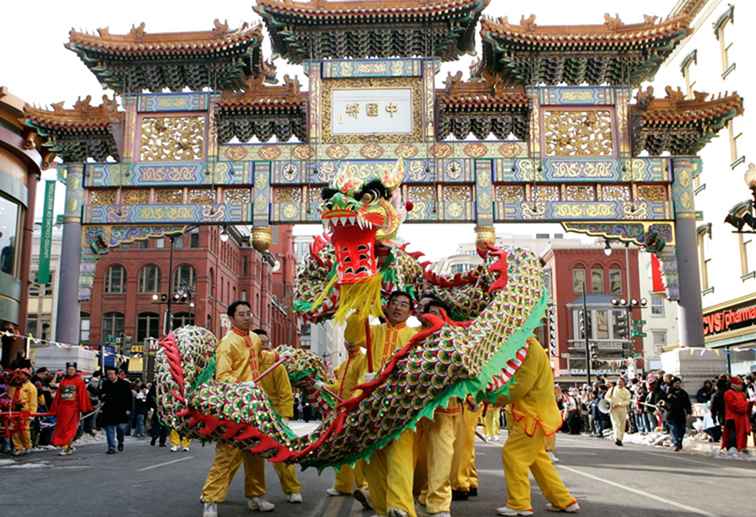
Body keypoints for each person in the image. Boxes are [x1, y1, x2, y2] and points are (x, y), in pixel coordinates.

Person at [344, 290, 419, 517]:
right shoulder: (373, 331)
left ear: (410, 311)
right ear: (385, 307)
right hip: (371, 402)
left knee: (400, 454)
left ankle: (400, 506)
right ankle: (381, 505)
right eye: (393, 303)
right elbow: (352, 336)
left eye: (403, 304)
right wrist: (361, 307)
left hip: (401, 403)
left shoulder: (416, 336)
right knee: (372, 456)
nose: (397, 307)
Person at [201, 301, 275, 517]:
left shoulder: (253, 338)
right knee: (226, 454)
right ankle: (210, 500)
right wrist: (242, 384)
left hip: (255, 406)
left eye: (248, 313)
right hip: (235, 406)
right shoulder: (227, 343)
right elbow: (222, 376)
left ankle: (256, 496)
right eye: (241, 314)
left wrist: (280, 356)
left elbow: (261, 358)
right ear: (232, 318)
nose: (247, 317)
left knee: (256, 453)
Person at [496, 338, 579, 516]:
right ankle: (563, 500)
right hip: (533, 414)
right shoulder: (527, 345)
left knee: (513, 455)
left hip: (532, 416)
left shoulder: (529, 348)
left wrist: (492, 398)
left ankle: (519, 504)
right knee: (538, 460)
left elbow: (520, 386)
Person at [415, 296, 461, 517]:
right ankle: (419, 494)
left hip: (444, 409)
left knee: (442, 458)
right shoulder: (413, 337)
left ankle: (439, 503)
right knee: (418, 460)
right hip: (413, 411)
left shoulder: (455, 338)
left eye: (436, 310)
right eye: (427, 310)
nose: (431, 314)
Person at [250, 329, 303, 504]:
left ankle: (293, 489)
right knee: (241, 457)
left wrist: (284, 417)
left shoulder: (275, 364)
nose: (264, 346)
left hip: (273, 416)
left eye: (266, 342)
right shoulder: (246, 363)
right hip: (250, 414)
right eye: (260, 342)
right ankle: (215, 495)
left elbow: (285, 392)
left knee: (282, 454)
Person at [322, 337, 370, 510]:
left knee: (357, 450)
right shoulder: (344, 364)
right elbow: (338, 386)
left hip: (354, 411)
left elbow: (361, 385)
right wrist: (324, 386)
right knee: (341, 449)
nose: (350, 343)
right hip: (341, 411)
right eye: (347, 340)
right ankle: (343, 485)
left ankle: (365, 487)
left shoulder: (363, 360)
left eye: (353, 340)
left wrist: (353, 404)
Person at [50, 362, 92, 455]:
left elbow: (82, 394)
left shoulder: (79, 380)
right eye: (69, 369)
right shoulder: (63, 380)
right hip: (63, 407)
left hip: (73, 407)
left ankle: (66, 447)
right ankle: (68, 446)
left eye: (72, 370)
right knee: (62, 427)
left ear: (75, 370)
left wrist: (82, 407)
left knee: (70, 428)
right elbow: (58, 394)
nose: (70, 371)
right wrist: (55, 406)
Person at [7, 359, 37, 456]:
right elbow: (9, 396)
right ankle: (18, 447)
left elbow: (33, 402)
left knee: (24, 430)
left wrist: (32, 414)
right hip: (14, 410)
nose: (20, 376)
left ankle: (27, 446)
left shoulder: (31, 387)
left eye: (23, 374)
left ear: (27, 376)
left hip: (25, 411)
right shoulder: (15, 386)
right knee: (14, 430)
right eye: (20, 374)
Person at [100, 367, 132, 454]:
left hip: (121, 410)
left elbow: (129, 398)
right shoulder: (105, 383)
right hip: (108, 410)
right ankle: (111, 447)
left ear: (116, 374)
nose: (110, 376)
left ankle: (120, 441)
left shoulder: (124, 384)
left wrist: (129, 409)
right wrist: (102, 398)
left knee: (120, 429)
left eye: (111, 374)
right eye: (108, 374)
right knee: (109, 429)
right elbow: (101, 394)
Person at [723, 376, 751, 456]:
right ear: (733, 385)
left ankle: (741, 447)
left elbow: (744, 406)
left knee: (742, 434)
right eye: (739, 384)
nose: (741, 386)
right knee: (733, 434)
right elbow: (735, 406)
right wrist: (746, 405)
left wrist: (746, 405)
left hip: (742, 418)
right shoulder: (728, 393)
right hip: (732, 418)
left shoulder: (742, 394)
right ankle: (732, 448)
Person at [664, 377, 692, 452]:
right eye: (676, 383)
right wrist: (664, 405)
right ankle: (676, 443)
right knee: (674, 429)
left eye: (679, 383)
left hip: (681, 414)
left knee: (682, 430)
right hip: (671, 414)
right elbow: (662, 401)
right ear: (672, 384)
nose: (677, 385)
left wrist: (689, 412)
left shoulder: (683, 393)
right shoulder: (668, 392)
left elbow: (687, 403)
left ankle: (679, 441)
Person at [605, 377, 631, 446]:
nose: (619, 383)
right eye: (618, 382)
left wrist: (619, 404)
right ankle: (617, 438)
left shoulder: (626, 391)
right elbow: (606, 397)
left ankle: (620, 439)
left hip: (622, 409)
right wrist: (611, 401)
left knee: (622, 425)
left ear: (624, 383)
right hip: (613, 409)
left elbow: (627, 401)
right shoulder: (612, 389)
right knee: (616, 424)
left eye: (621, 382)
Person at [147, 382, 168, 447]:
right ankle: (158, 439)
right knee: (161, 426)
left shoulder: (163, 388)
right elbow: (149, 400)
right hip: (158, 411)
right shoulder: (158, 389)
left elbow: (148, 400)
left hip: (161, 411)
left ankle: (158, 439)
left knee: (162, 426)